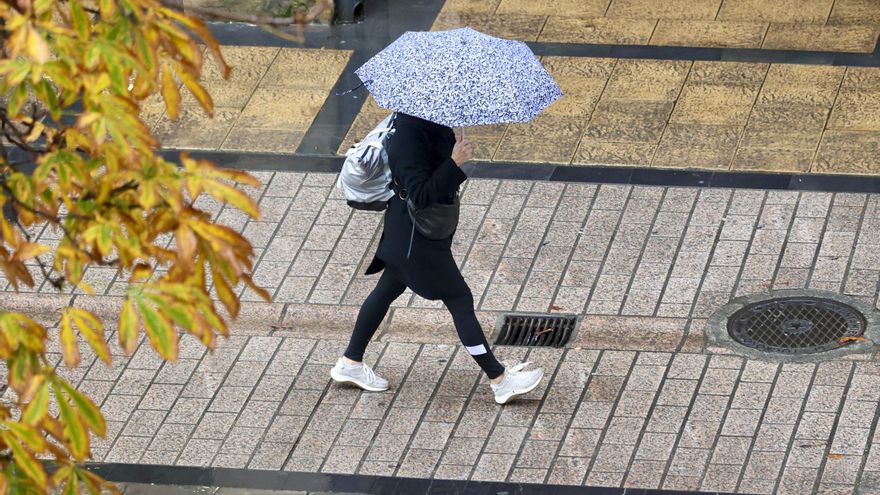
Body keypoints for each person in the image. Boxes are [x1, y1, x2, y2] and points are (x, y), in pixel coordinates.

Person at [330, 112, 544, 404]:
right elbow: (420, 194)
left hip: (408, 233)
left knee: (385, 290)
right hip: (415, 241)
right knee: (459, 299)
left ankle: (350, 363)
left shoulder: (423, 122)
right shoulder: (409, 136)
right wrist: (454, 162)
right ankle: (500, 380)